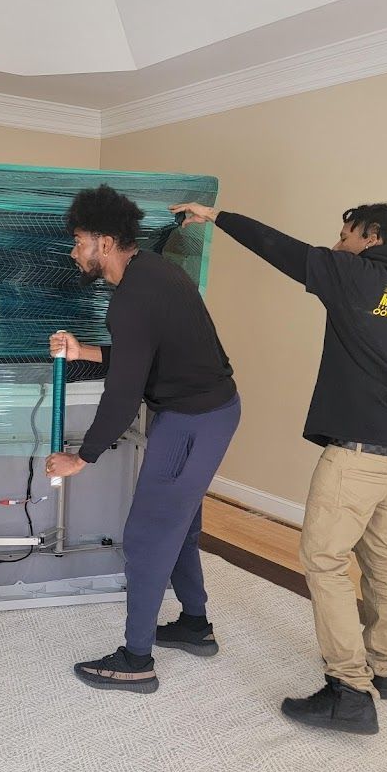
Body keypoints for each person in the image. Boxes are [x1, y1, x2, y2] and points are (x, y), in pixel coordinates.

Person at [172, 200, 387, 736]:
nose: (338, 244)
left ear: (371, 236)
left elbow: (285, 252)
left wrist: (219, 217)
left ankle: (349, 691)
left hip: (358, 454)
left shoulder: (355, 275)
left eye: (345, 234)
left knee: (322, 559)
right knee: (383, 560)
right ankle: (382, 667)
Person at [46, 185, 240, 694]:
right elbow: (142, 356)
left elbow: (123, 393)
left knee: (147, 536)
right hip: (207, 412)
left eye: (80, 241)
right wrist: (83, 351)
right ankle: (195, 626)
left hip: (192, 421)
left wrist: (81, 457)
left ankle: (136, 661)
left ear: (105, 243)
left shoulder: (131, 298)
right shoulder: (153, 272)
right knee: (181, 526)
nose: (74, 251)